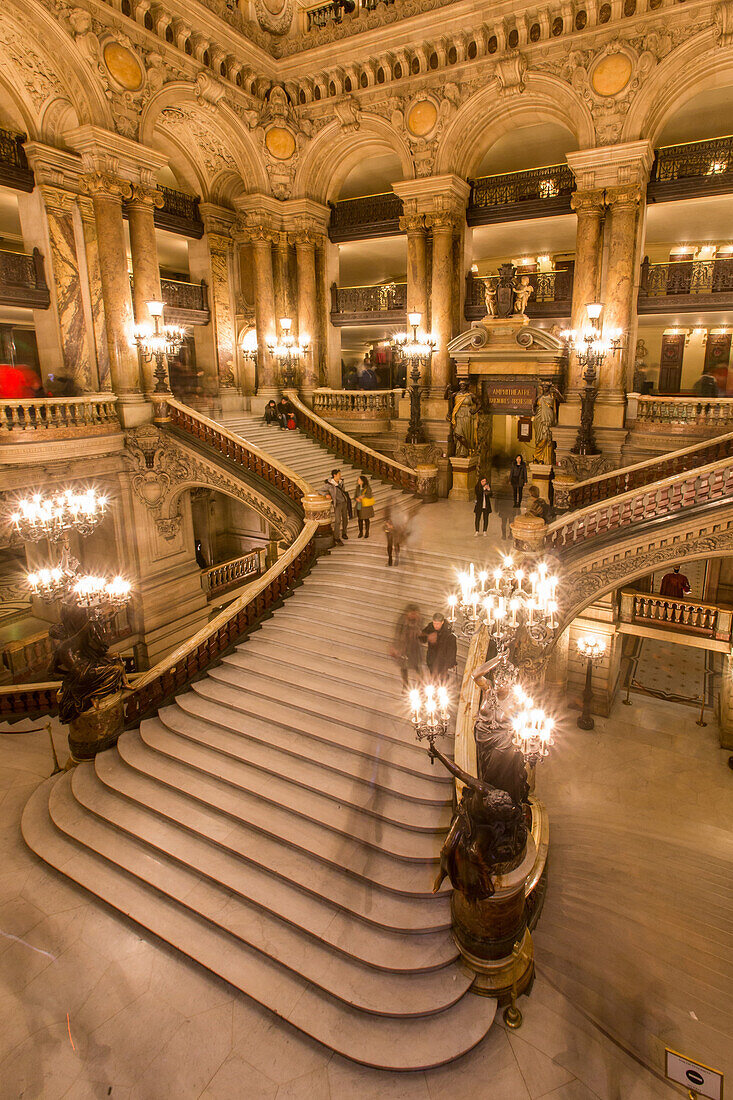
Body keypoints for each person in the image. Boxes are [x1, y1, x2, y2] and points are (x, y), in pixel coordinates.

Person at [391, 603, 423, 688]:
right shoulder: (402, 620)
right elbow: (397, 633)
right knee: (404, 667)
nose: (413, 615)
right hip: (404, 646)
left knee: (417, 667)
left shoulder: (418, 620)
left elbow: (421, 632)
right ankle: (405, 685)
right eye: (411, 613)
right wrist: (396, 647)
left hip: (414, 647)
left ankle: (420, 684)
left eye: (414, 613)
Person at [421, 613, 458, 684]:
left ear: (442, 622)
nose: (435, 626)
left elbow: (452, 648)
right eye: (434, 623)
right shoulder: (430, 627)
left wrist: (452, 662)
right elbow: (421, 638)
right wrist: (428, 636)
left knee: (443, 678)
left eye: (437, 624)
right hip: (432, 658)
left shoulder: (448, 631)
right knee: (433, 677)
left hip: (443, 659)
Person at [324, 468, 351, 544]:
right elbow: (321, 491)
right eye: (339, 474)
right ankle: (336, 537)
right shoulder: (329, 484)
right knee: (338, 521)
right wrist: (326, 494)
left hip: (344, 503)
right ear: (334, 475)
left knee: (345, 519)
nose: (340, 476)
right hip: (338, 504)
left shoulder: (341, 482)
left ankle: (344, 533)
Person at [354, 473, 375, 539]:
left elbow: (370, 495)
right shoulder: (357, 488)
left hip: (365, 507)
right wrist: (356, 499)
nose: (358, 481)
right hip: (359, 506)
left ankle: (367, 532)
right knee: (359, 519)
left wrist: (363, 496)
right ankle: (360, 532)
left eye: (359, 480)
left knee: (366, 519)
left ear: (362, 481)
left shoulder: (367, 487)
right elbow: (355, 496)